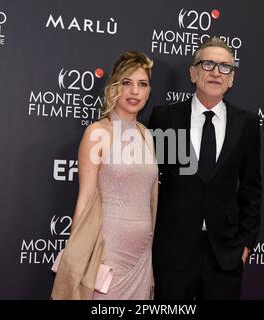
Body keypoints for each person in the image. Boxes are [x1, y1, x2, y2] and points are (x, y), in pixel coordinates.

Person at [148, 36, 262, 299]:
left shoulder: (246, 123)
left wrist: (244, 246)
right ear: (193, 72)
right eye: (208, 64)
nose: (215, 72)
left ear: (231, 78)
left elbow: (251, 188)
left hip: (225, 254)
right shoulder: (165, 118)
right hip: (173, 252)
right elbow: (149, 179)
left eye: (224, 67)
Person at [51, 51, 158, 300]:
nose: (134, 92)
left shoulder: (146, 135)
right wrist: (79, 253)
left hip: (142, 256)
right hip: (106, 251)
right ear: (114, 87)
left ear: (149, 91)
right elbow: (85, 198)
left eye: (142, 84)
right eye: (127, 83)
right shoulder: (97, 133)